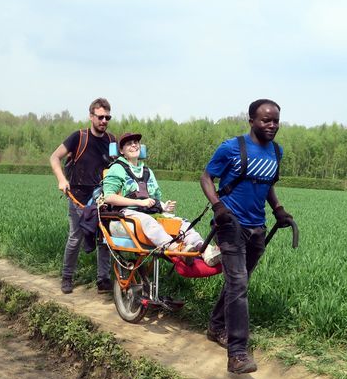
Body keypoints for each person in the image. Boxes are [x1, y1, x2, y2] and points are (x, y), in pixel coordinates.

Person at [200, 99, 294, 375]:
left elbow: (266, 185)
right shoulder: (232, 147)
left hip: (257, 228)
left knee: (238, 282)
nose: (272, 125)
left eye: (276, 120)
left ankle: (216, 326)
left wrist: (278, 209)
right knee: (239, 283)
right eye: (266, 120)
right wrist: (218, 206)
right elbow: (206, 177)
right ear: (251, 120)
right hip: (231, 224)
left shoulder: (277, 152)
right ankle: (238, 353)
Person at [103, 133, 220, 262]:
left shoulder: (148, 171)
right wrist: (139, 203)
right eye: (128, 143)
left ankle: (204, 249)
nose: (133, 145)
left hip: (148, 215)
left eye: (136, 142)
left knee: (181, 222)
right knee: (148, 221)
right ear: (121, 150)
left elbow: (154, 199)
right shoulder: (116, 168)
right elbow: (108, 197)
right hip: (124, 218)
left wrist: (164, 206)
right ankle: (177, 249)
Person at [49, 97, 115, 294]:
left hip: (103, 197)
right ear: (91, 116)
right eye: (100, 117)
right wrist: (62, 179)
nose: (104, 121)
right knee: (75, 237)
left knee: (104, 238)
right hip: (78, 196)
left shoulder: (112, 141)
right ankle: (67, 277)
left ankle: (103, 280)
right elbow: (54, 158)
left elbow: (119, 166)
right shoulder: (78, 137)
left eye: (107, 117)